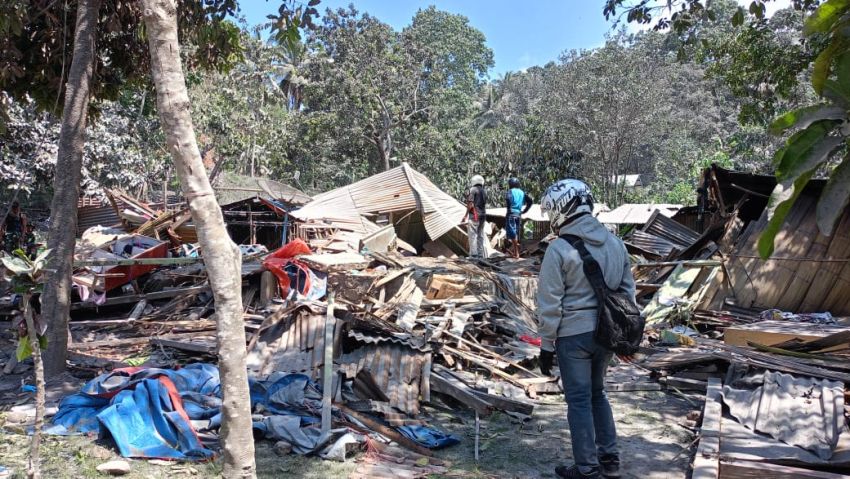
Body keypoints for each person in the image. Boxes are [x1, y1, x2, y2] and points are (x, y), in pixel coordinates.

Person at [537, 179, 636, 479]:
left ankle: (587, 469)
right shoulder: (617, 244)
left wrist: (545, 344)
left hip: (573, 337)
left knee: (578, 400)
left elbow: (550, 303)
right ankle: (610, 461)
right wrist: (622, 339)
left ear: (560, 210)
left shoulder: (559, 249)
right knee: (598, 394)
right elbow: (628, 295)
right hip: (607, 335)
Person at [505, 177, 532, 259]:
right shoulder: (522, 192)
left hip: (511, 214)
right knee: (515, 233)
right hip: (518, 214)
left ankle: (516, 252)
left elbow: (508, 199)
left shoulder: (510, 191)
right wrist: (525, 210)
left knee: (511, 233)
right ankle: (515, 252)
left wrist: (509, 209)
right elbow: (530, 201)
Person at [465, 175, 488, 259]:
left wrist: (465, 215)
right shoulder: (484, 191)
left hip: (474, 216)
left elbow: (470, 204)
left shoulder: (472, 190)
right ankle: (480, 254)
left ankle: (473, 255)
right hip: (483, 215)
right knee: (480, 235)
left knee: (473, 234)